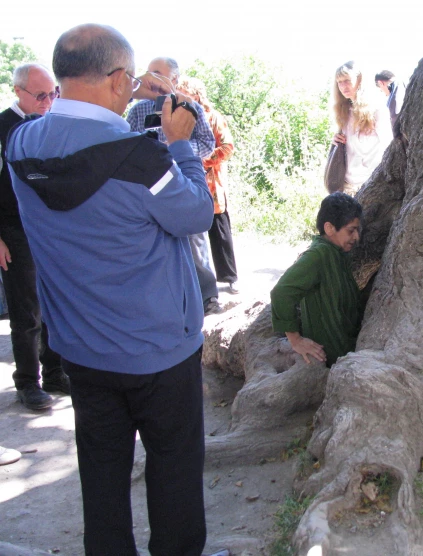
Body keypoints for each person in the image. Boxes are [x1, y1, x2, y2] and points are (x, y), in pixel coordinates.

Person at [6, 24, 213, 555]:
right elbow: (193, 212)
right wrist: (181, 144)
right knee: (173, 471)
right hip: (158, 349)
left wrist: (131, 92)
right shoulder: (141, 161)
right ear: (120, 79)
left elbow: (75, 148)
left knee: (101, 475)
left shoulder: (22, 145)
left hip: (81, 347)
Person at [126, 57, 222, 315]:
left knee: (195, 240)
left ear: (175, 80)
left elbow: (208, 144)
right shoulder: (137, 110)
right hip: (149, 188)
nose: (153, 79)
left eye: (159, 73)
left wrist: (177, 147)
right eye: (150, 73)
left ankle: (208, 299)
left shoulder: (190, 108)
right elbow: (127, 145)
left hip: (184, 181)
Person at [0, 63, 66, 410]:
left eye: (53, 93)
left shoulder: (51, 124)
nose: (48, 101)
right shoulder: (2, 127)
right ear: (18, 92)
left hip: (49, 227)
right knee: (27, 312)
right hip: (13, 228)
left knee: (54, 304)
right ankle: (27, 381)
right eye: (40, 95)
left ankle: (55, 372)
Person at [271, 192, 362, 366]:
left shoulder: (336, 252)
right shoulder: (317, 256)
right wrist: (296, 340)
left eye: (358, 230)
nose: (356, 237)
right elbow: (281, 293)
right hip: (330, 354)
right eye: (351, 230)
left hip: (346, 346)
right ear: (329, 228)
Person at [178, 76, 239, 294]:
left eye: (184, 92)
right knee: (195, 237)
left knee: (219, 230)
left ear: (195, 94)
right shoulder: (178, 117)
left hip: (212, 183)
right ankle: (201, 285)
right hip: (189, 184)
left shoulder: (213, 117)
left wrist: (202, 159)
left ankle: (230, 278)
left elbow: (227, 146)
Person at [332, 61, 392, 196]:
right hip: (347, 184)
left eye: (347, 80)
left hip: (371, 183)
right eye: (339, 82)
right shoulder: (343, 110)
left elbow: (389, 146)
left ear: (359, 80)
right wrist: (336, 139)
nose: (343, 86)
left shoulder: (377, 108)